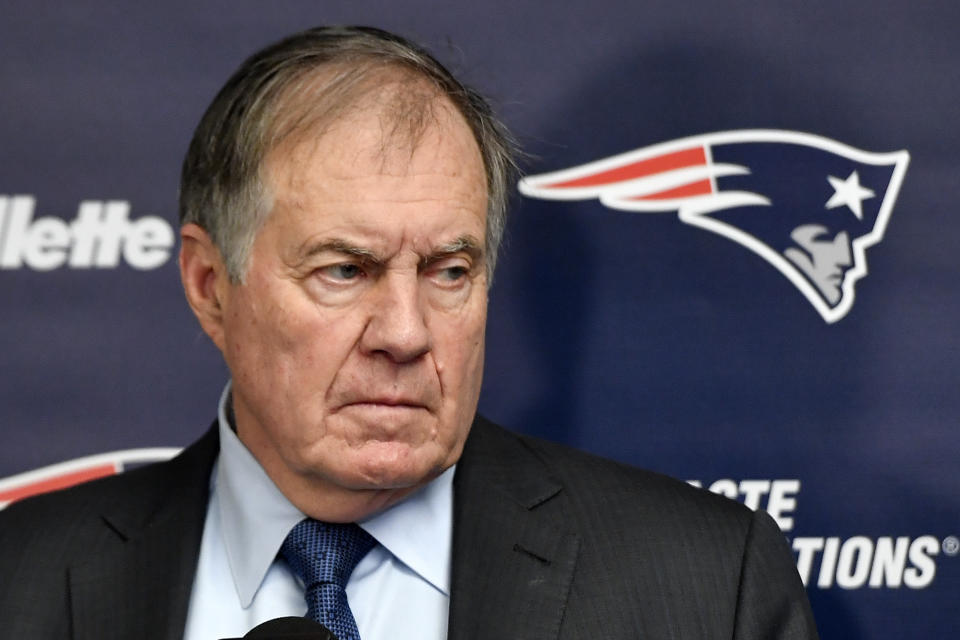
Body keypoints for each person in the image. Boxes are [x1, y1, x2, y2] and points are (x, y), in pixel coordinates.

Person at [0, 26, 819, 640]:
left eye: (448, 271)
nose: (404, 332)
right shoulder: (24, 582)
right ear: (210, 287)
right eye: (345, 270)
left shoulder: (706, 592)